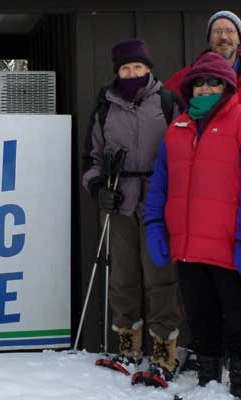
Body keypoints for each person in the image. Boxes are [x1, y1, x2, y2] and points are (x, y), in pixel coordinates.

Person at [82, 38, 181, 386]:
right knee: (123, 278)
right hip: (119, 201)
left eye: (138, 67)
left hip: (158, 203)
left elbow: (184, 152)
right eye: (125, 68)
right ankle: (128, 346)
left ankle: (164, 352)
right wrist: (97, 187)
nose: (132, 73)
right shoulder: (105, 106)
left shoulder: (168, 102)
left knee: (160, 278)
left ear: (149, 69)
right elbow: (91, 159)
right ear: (117, 72)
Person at [145, 51, 241, 398]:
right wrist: (154, 224)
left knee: (237, 322)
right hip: (188, 249)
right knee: (200, 321)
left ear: (226, 85)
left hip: (228, 248)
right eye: (198, 83)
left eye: (212, 82)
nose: (204, 89)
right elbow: (160, 184)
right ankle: (209, 383)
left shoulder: (239, 121)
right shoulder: (177, 128)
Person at [165, 10, 241, 99]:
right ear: (209, 40)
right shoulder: (183, 78)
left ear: (239, 39)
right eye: (217, 31)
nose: (223, 37)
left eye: (230, 31)